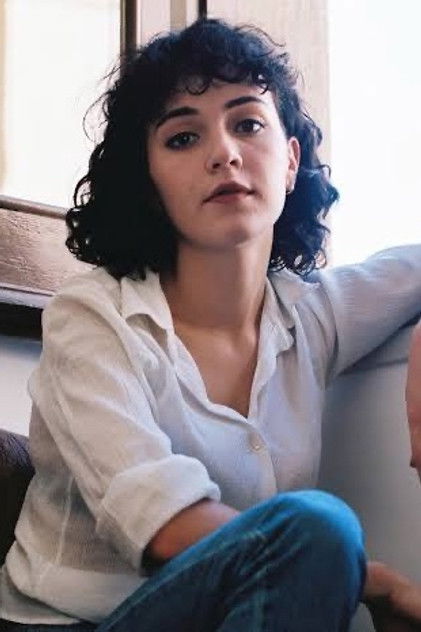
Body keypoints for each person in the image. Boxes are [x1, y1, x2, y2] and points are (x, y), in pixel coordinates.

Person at [0, 17, 421, 632]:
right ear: (149, 183)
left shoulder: (311, 314)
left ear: (290, 161)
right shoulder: (92, 317)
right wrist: (375, 580)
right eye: (182, 138)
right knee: (320, 526)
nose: (224, 152)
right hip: (74, 624)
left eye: (247, 124)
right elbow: (161, 523)